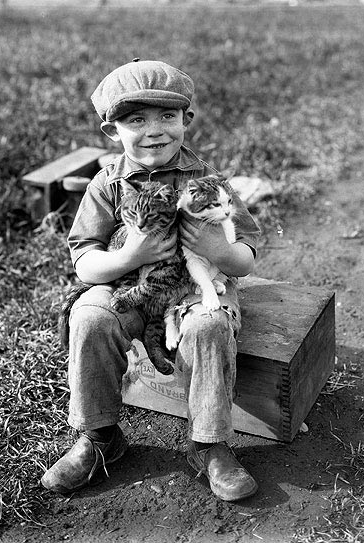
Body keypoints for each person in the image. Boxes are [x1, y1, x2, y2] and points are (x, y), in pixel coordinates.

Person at [40, 59, 262, 502]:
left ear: (186, 120)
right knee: (89, 316)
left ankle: (209, 444)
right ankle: (100, 437)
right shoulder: (107, 184)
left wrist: (219, 251)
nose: (155, 130)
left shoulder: (207, 181)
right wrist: (130, 255)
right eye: (136, 120)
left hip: (192, 288)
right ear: (111, 131)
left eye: (168, 117)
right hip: (129, 285)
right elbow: (84, 262)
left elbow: (246, 257)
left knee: (209, 326)